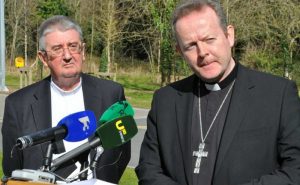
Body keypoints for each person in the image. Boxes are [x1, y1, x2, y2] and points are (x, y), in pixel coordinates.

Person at [136, 0, 300, 185]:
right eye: (190, 46)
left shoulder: (277, 94)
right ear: (179, 52)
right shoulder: (165, 99)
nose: (202, 52)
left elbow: (295, 170)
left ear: (229, 35)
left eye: (209, 39)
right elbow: (148, 169)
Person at [2, 15, 130, 184]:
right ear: (43, 58)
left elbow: (121, 155)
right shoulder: (18, 104)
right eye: (57, 48)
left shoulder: (111, 94)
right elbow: (13, 167)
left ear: (83, 51)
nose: (67, 55)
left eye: (73, 46)